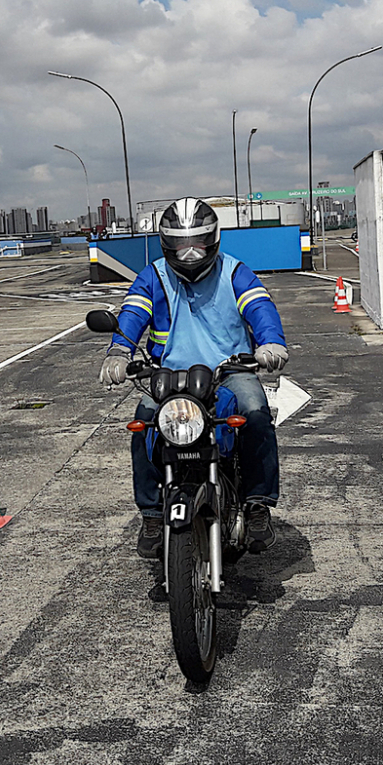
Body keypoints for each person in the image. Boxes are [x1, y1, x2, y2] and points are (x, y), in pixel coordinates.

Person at [99, 197, 288, 558]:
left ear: (213, 240)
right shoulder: (153, 276)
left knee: (256, 413)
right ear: (166, 244)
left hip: (229, 371)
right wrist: (119, 352)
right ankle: (152, 513)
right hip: (167, 375)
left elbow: (261, 306)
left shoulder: (235, 273)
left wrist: (271, 344)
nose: (189, 254)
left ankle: (258, 503)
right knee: (143, 423)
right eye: (180, 244)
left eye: (197, 243)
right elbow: (133, 313)